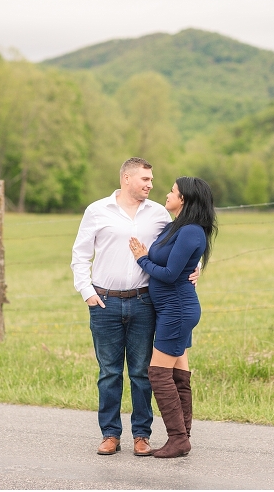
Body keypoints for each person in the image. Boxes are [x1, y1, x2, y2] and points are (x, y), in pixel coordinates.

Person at [70, 157, 199, 457]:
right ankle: (110, 434)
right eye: (145, 179)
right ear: (127, 178)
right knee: (109, 372)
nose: (151, 185)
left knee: (142, 372)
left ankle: (142, 434)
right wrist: (87, 292)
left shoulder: (159, 214)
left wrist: (198, 267)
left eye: (152, 180)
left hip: (144, 301)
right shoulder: (97, 210)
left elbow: (184, 242)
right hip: (105, 301)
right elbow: (80, 255)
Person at [129, 176, 217, 458]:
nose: (167, 194)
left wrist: (142, 258)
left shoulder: (191, 231)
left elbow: (169, 274)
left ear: (185, 200)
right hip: (171, 309)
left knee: (157, 373)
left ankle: (178, 438)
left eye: (173, 191)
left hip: (177, 309)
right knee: (179, 375)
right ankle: (183, 436)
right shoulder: (174, 227)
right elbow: (182, 263)